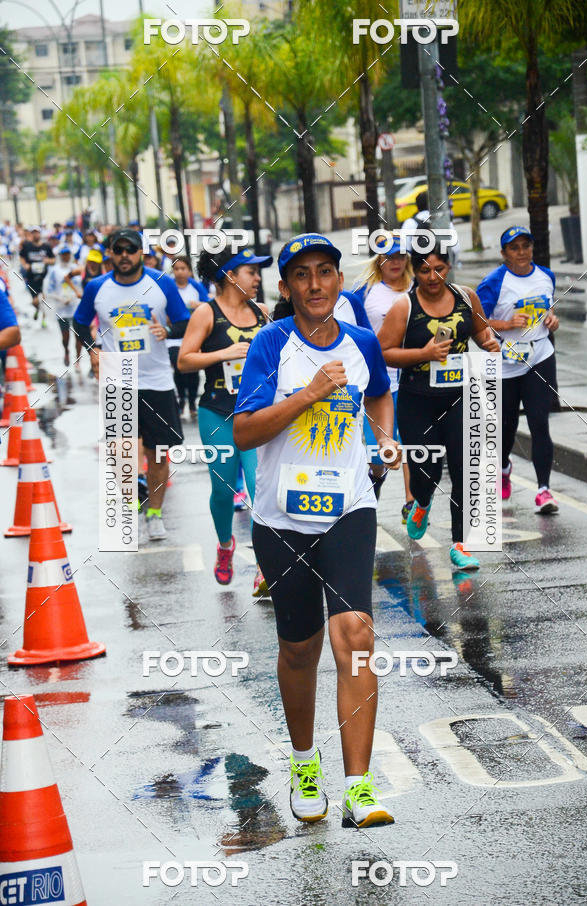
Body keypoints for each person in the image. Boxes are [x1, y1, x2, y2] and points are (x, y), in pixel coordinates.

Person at [233, 233, 400, 829]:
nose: (314, 285)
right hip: (281, 520)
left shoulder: (360, 342)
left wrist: (384, 437)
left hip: (348, 508)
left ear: (337, 280)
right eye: (300, 275)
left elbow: (379, 395)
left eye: (324, 273)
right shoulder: (269, 345)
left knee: (355, 634)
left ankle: (359, 785)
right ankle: (306, 763)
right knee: (298, 649)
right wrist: (309, 393)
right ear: (286, 288)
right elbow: (245, 434)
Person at [378, 244, 499, 570]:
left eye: (440, 269)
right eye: (424, 270)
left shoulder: (465, 297)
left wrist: (489, 342)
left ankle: (461, 543)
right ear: (414, 272)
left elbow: (480, 329)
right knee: (426, 472)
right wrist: (424, 354)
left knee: (464, 469)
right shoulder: (404, 306)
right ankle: (422, 501)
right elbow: (383, 351)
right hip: (417, 400)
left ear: (449, 266)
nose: (433, 277)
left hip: (460, 397)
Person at [74, 227, 191, 541]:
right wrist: (93, 349)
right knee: (121, 453)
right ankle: (129, 506)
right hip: (117, 379)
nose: (124, 255)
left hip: (157, 380)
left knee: (158, 453)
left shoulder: (161, 282)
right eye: (118, 249)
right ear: (110, 253)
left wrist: (167, 331)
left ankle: (154, 515)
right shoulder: (96, 287)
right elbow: (79, 321)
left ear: (141, 252)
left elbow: (183, 321)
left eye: (130, 249)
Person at [178, 244, 271, 593]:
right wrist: (225, 353)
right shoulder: (207, 313)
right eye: (252, 271)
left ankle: (264, 564)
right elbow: (185, 360)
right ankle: (225, 546)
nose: (258, 278)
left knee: (260, 489)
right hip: (217, 413)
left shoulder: (262, 313)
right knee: (223, 489)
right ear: (231, 276)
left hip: (256, 415)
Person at [476, 226, 560, 513]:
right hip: (506, 363)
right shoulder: (493, 282)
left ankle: (544, 491)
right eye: (515, 248)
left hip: (539, 355)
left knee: (539, 423)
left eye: (526, 245)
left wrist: (551, 319)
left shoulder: (546, 275)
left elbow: (548, 308)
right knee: (506, 427)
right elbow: (477, 321)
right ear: (504, 253)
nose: (522, 252)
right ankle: (502, 467)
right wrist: (507, 324)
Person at [353, 237, 415, 519]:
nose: (396, 262)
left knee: (411, 444)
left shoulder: (418, 290)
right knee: (378, 453)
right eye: (389, 257)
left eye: (401, 256)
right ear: (379, 260)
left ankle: (411, 503)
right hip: (377, 383)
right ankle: (375, 479)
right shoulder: (365, 293)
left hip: (413, 380)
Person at [166, 255, 210, 418]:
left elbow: (209, 305)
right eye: (176, 269)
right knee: (178, 366)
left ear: (189, 271)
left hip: (194, 337)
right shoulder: (169, 287)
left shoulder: (196, 287)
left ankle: (192, 402)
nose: (179, 272)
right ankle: (181, 399)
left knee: (192, 371)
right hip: (174, 338)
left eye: (183, 268)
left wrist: (197, 306)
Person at [43, 246, 83, 367]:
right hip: (62, 309)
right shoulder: (54, 271)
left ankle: (78, 359)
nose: (65, 257)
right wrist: (60, 299)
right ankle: (66, 351)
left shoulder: (76, 269)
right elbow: (49, 290)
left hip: (76, 307)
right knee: (65, 336)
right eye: (63, 254)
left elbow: (83, 286)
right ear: (60, 256)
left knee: (79, 335)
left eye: (67, 254)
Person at [20, 226, 54, 325]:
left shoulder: (46, 246)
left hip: (44, 277)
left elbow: (53, 259)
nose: (36, 235)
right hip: (32, 277)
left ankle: (44, 319)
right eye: (33, 233)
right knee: (35, 301)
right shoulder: (27, 246)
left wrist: (48, 261)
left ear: (40, 234)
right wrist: (25, 265)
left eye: (37, 232)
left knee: (44, 299)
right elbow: (21, 257)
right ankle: (37, 310)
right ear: (31, 234)